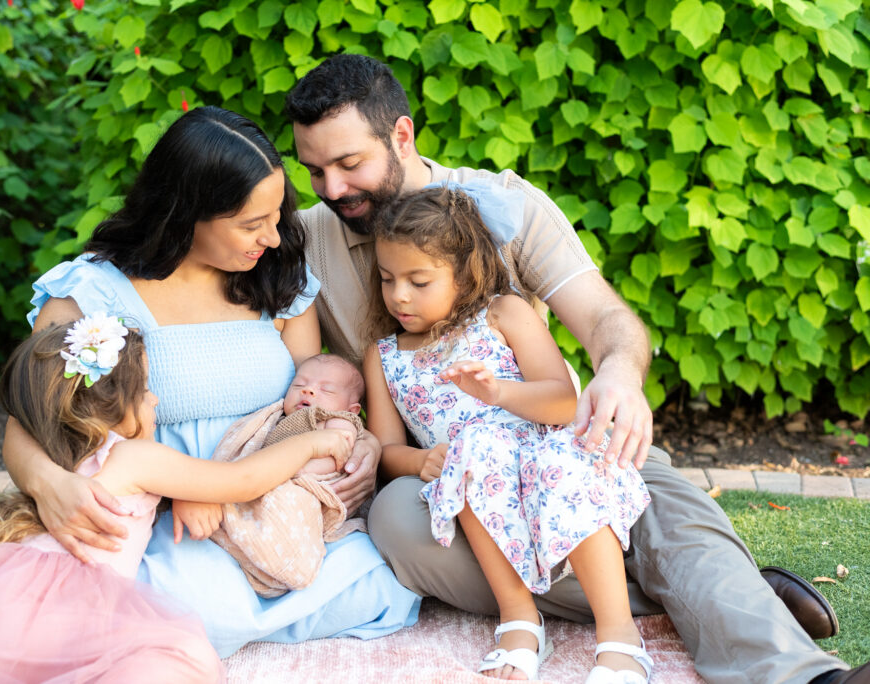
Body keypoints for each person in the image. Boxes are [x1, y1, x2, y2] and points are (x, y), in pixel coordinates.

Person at [284, 54, 862, 683]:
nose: (333, 190)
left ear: (401, 134)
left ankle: (805, 676)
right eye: (314, 171)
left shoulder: (504, 204)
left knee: (666, 508)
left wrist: (617, 373)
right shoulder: (308, 239)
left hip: (559, 440)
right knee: (396, 522)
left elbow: (604, 319)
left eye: (349, 165)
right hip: (455, 481)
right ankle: (723, 599)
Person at [0, 106, 419, 657]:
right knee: (197, 606)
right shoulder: (93, 293)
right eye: (251, 224)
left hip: (273, 508)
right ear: (185, 212)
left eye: (276, 217)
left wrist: (359, 442)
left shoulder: (278, 283)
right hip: (169, 520)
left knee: (382, 587)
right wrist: (50, 487)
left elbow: (310, 398)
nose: (272, 239)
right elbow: (27, 420)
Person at [0, 315, 351, 683]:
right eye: (148, 391)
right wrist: (310, 442)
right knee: (164, 662)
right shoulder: (133, 458)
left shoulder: (66, 446)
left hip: (6, 596)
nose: (156, 401)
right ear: (114, 407)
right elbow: (241, 481)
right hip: (63, 610)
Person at [364, 186, 653, 682]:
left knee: (556, 463)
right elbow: (385, 451)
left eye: (419, 280)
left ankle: (620, 638)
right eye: (388, 279)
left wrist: (499, 394)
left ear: (465, 273)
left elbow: (564, 402)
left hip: (546, 452)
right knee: (473, 449)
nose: (399, 296)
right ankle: (520, 621)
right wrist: (420, 462)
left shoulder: (503, 313)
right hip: (475, 477)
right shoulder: (384, 356)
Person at [207, 352, 368, 597]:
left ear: (352, 409)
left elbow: (337, 459)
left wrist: (297, 471)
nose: (309, 391)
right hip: (265, 475)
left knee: (285, 503)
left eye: (326, 390)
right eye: (300, 385)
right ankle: (246, 541)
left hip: (299, 484)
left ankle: (281, 558)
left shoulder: (340, 421)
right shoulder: (278, 419)